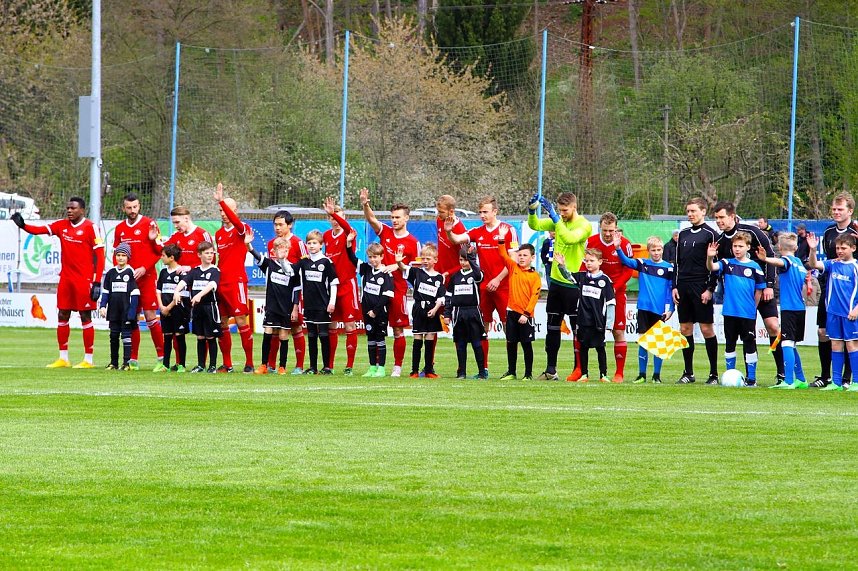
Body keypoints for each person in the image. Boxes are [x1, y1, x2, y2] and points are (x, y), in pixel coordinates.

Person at [11, 197, 106, 368]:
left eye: (73, 208)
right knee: (62, 314)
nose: (69, 211)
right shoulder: (61, 225)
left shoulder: (91, 228)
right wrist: (23, 225)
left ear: (82, 210)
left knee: (85, 316)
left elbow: (99, 256)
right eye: (68, 208)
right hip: (66, 279)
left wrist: (97, 281)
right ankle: (63, 358)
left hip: (84, 281)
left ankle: (88, 360)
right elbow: (38, 230)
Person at [444, 196, 517, 375]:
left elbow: (513, 260)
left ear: (495, 211)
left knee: (509, 327)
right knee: (481, 326)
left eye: (486, 212)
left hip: (504, 286)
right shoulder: (478, 231)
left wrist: (498, 279)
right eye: (480, 212)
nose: (482, 215)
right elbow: (457, 239)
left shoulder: (508, 230)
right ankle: (483, 369)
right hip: (483, 288)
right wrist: (448, 231)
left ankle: (511, 370)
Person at [712, 201, 783, 383]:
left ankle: (782, 373)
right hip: (738, 297)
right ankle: (744, 377)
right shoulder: (720, 242)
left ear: (732, 216)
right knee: (742, 337)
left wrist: (768, 284)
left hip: (761, 288)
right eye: (716, 218)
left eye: (722, 217)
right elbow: (716, 269)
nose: (718, 221)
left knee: (773, 326)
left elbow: (769, 256)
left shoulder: (752, 232)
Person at [527, 192, 592, 380]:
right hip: (555, 282)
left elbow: (570, 238)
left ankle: (579, 369)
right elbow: (535, 225)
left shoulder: (584, 225)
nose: (562, 214)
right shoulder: (559, 221)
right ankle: (551, 370)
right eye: (560, 210)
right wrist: (532, 211)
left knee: (577, 328)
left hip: (573, 283)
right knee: (552, 327)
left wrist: (556, 217)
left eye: (565, 210)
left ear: (574, 207)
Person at [360, 187, 420, 377]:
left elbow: (416, 269)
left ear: (406, 218)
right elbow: (371, 220)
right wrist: (365, 204)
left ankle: (397, 366)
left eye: (398, 217)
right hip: (376, 291)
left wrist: (398, 266)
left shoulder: (412, 242)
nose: (394, 220)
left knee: (397, 329)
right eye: (392, 217)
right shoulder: (385, 232)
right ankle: (376, 366)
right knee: (376, 329)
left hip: (398, 289)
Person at [568, 212, 633, 383]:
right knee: (581, 330)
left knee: (617, 331)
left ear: (616, 228)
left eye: (611, 230)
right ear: (600, 227)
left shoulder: (624, 244)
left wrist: (613, 288)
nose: (608, 234)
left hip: (615, 293)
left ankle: (619, 373)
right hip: (592, 294)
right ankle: (579, 370)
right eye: (605, 230)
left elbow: (628, 270)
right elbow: (584, 264)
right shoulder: (593, 241)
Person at [113, 192, 164, 371]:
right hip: (129, 281)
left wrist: (144, 267)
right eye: (129, 208)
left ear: (139, 206)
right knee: (131, 318)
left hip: (147, 278)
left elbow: (160, 251)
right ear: (123, 208)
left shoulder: (150, 224)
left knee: (151, 316)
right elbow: (116, 254)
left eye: (135, 207)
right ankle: (133, 360)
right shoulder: (120, 229)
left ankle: (161, 360)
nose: (133, 210)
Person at [706, 232, 765, 387]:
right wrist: (710, 257)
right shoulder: (726, 263)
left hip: (747, 313)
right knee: (730, 343)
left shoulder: (755, 267)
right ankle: (729, 375)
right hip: (730, 312)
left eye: (740, 246)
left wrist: (753, 308)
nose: (737, 249)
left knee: (749, 345)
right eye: (734, 246)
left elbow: (759, 291)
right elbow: (712, 267)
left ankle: (751, 378)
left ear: (748, 247)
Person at [813, 193, 858, 387]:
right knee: (824, 332)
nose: (836, 212)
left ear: (850, 211)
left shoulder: (855, 231)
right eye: (834, 209)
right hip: (830, 288)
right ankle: (827, 377)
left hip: (851, 291)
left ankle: (849, 379)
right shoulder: (829, 232)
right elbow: (826, 262)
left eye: (840, 209)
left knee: (851, 340)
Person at [615, 235, 675, 384]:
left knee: (657, 342)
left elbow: (672, 290)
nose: (656, 252)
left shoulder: (669, 268)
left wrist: (671, 309)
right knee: (643, 341)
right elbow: (626, 261)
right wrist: (618, 248)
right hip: (643, 308)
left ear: (662, 249)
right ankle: (642, 375)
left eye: (659, 249)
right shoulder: (643, 263)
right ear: (648, 251)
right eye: (653, 250)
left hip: (659, 310)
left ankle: (656, 376)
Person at [673, 197, 720, 385]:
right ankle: (688, 372)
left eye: (693, 211)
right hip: (683, 286)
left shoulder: (711, 234)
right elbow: (677, 264)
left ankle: (714, 374)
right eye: (688, 211)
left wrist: (710, 289)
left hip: (701, 286)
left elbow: (715, 266)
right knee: (685, 329)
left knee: (707, 329)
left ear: (703, 212)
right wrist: (674, 286)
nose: (690, 214)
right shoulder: (682, 234)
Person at [756, 233, 809, 389]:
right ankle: (801, 379)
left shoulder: (786, 261)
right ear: (797, 247)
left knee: (786, 343)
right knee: (791, 344)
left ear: (779, 247)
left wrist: (765, 259)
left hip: (790, 308)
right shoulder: (799, 262)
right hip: (800, 308)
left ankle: (789, 381)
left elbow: (780, 262)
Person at [554, 250, 616, 383]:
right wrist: (562, 266)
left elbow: (611, 304)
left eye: (591, 261)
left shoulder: (605, 281)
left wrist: (609, 325)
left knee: (600, 348)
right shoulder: (582, 277)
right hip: (582, 320)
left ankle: (603, 374)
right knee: (583, 348)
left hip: (598, 321)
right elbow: (568, 276)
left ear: (599, 262)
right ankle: (584, 374)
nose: (588, 263)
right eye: (586, 261)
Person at [213, 183, 255, 373]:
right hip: (221, 283)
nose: (223, 213)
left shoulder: (242, 228)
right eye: (221, 210)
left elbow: (237, 224)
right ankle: (227, 364)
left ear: (235, 210)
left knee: (240, 321)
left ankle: (249, 363)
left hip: (237, 281)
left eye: (227, 209)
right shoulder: (219, 234)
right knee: (222, 322)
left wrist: (221, 199)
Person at [247, 236, 301, 375]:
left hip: (286, 307)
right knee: (268, 333)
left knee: (283, 335)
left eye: (285, 249)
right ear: (274, 251)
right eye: (279, 249)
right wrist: (249, 245)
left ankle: (282, 366)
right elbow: (256, 255)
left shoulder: (293, 268)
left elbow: (296, 290)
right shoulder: (269, 265)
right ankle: (264, 365)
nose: (283, 252)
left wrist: (295, 307)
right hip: (271, 306)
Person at [496, 226, 542, 381]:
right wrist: (501, 239)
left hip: (525, 315)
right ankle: (511, 372)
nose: (521, 258)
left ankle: (528, 374)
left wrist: (526, 314)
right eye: (520, 255)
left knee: (526, 344)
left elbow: (534, 297)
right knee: (511, 342)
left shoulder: (535, 276)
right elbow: (502, 254)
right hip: (511, 312)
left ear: (532, 257)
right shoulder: (513, 267)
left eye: (525, 255)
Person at [345, 234, 395, 377]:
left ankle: (381, 368)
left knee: (380, 339)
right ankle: (372, 367)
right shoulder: (366, 269)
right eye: (371, 257)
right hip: (367, 312)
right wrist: (349, 244)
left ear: (382, 256)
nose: (373, 260)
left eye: (376, 257)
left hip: (379, 312)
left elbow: (387, 295)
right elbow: (352, 258)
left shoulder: (386, 274)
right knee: (370, 339)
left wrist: (375, 310)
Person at [267, 210, 308, 374]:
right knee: (275, 328)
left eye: (280, 224)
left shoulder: (298, 243)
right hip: (277, 295)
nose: (277, 228)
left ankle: (299, 366)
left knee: (296, 328)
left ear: (289, 225)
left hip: (294, 294)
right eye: (275, 224)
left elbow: (304, 267)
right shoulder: (272, 243)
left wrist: (297, 301)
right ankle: (271, 365)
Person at [322, 197, 360, 375]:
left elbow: (347, 227)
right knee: (331, 326)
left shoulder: (349, 233)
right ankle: (329, 365)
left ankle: (349, 366)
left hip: (347, 284)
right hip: (332, 287)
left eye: (338, 217)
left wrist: (335, 214)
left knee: (350, 326)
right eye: (331, 217)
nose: (334, 220)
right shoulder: (327, 236)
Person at [397, 243, 445, 378]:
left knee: (430, 338)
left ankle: (429, 370)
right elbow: (403, 268)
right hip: (419, 309)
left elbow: (441, 297)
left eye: (428, 258)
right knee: (418, 338)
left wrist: (435, 310)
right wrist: (399, 262)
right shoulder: (416, 272)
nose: (425, 261)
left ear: (435, 260)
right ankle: (414, 371)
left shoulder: (439, 277)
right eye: (423, 258)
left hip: (432, 310)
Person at [173, 241, 221, 373]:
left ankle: (212, 366)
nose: (210, 255)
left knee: (211, 336)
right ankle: (201, 365)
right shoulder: (195, 271)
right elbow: (184, 281)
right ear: (199, 255)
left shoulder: (214, 270)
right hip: (197, 308)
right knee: (200, 336)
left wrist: (199, 295)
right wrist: (176, 291)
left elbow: (212, 285)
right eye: (207, 253)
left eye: (212, 253)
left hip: (209, 307)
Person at [295, 230, 339, 375]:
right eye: (309, 243)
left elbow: (333, 283)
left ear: (321, 245)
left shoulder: (326, 262)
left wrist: (331, 302)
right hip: (309, 305)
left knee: (324, 335)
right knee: (312, 335)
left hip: (323, 305)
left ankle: (327, 366)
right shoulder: (304, 262)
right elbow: (291, 271)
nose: (312, 245)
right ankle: (313, 367)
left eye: (315, 243)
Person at [444, 246, 487, 379]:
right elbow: (449, 296)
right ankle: (461, 372)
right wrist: (447, 313)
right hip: (458, 313)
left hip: (473, 311)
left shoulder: (476, 274)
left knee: (476, 342)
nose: (463, 262)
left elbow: (479, 276)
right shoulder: (455, 276)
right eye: (461, 260)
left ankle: (481, 372)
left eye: (466, 260)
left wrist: (472, 259)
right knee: (461, 343)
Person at [98, 242, 140, 371]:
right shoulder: (111, 273)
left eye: (123, 255)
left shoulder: (130, 272)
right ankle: (113, 362)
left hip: (126, 311)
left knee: (126, 337)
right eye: (118, 255)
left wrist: (132, 313)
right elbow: (106, 292)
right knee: (113, 336)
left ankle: (126, 363)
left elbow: (135, 293)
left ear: (128, 257)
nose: (120, 258)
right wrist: (103, 306)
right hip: (114, 311)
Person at [155, 243, 189, 373]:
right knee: (167, 336)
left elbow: (182, 294)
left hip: (178, 310)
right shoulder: (163, 272)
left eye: (163, 255)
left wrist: (168, 307)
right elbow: (158, 290)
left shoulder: (182, 272)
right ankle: (166, 365)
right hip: (164, 309)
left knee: (180, 336)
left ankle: (181, 365)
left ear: (172, 257)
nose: (161, 257)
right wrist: (161, 306)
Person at [435, 194, 467, 279]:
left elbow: (466, 261)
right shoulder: (439, 220)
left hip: (453, 276)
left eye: (442, 212)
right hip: (439, 272)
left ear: (451, 211)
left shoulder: (460, 231)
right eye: (438, 211)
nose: (439, 214)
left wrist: (449, 273)